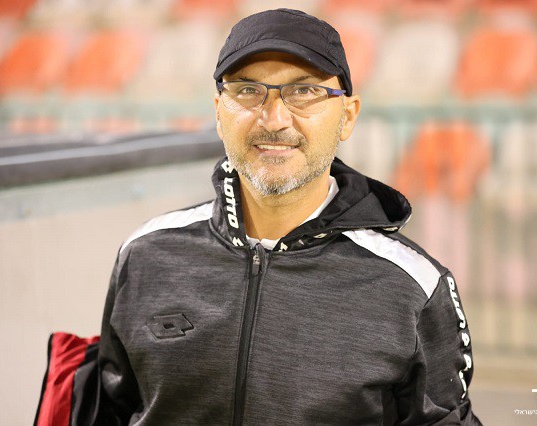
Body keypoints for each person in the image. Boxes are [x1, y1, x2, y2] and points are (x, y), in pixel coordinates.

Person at [36, 8, 481, 426]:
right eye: (248, 90)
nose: (273, 118)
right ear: (219, 112)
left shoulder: (412, 287)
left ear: (347, 116)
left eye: (304, 91)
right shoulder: (147, 254)